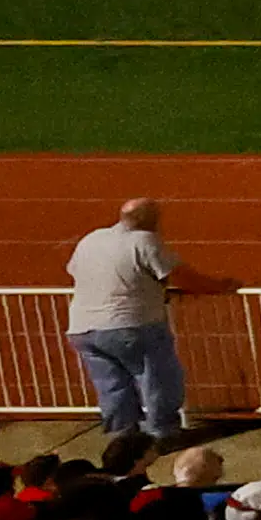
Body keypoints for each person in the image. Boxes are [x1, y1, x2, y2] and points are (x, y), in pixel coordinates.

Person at [62, 193, 188, 458]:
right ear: (150, 220)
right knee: (156, 379)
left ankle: (123, 439)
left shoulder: (92, 238)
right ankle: (162, 435)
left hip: (83, 328)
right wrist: (220, 285)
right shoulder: (144, 240)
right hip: (131, 325)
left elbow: (75, 271)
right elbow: (178, 275)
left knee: (111, 386)